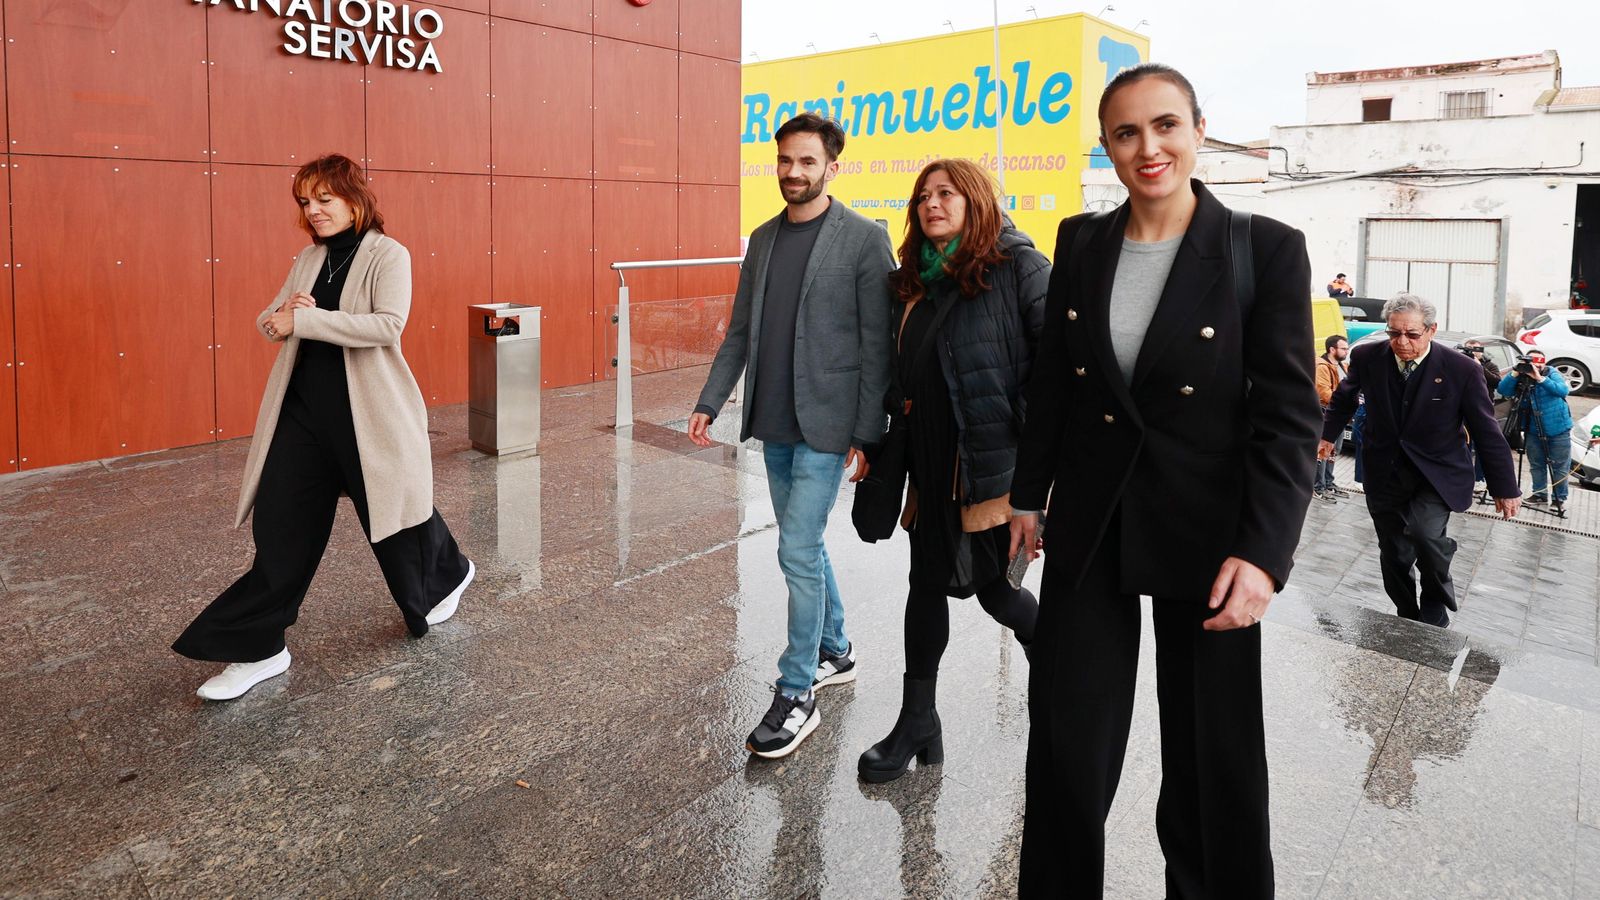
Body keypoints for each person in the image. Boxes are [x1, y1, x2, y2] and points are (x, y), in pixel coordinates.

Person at [1008, 63, 1320, 898]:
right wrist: (1027, 497)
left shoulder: (1265, 249)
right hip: (1092, 519)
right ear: (1107, 146)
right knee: (1069, 747)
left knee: (1210, 757)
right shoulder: (1080, 241)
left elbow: (1290, 419)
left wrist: (1264, 554)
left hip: (1209, 530)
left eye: (1166, 126)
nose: (1149, 148)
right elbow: (1054, 386)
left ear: (1197, 129)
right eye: (1126, 132)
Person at [173, 154, 474, 700]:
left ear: (354, 198)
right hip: (303, 415)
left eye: (324, 200)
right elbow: (271, 322)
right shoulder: (309, 258)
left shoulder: (389, 254)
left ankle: (447, 573)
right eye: (305, 203)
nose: (313, 211)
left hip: (367, 414)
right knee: (281, 529)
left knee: (395, 521)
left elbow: (388, 325)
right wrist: (286, 311)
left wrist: (306, 319)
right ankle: (259, 648)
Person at [688, 113, 894, 760]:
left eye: (807, 162)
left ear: (832, 166)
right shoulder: (763, 238)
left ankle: (797, 690)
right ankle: (837, 649)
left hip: (829, 426)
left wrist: (869, 432)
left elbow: (876, 345)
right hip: (773, 419)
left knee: (797, 551)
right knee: (803, 545)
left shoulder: (864, 239)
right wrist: (709, 400)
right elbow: (742, 332)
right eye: (785, 160)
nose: (793, 172)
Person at [857, 158, 1047, 784]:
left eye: (947, 193)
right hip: (930, 462)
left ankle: (1056, 663)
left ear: (976, 201)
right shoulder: (909, 282)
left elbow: (1055, 373)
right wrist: (876, 439)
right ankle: (918, 719)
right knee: (923, 585)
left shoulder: (1019, 266)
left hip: (993, 466)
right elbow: (896, 374)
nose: (932, 204)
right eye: (923, 196)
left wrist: (1034, 474)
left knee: (995, 589)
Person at [1321, 293, 1521, 628]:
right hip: (1384, 470)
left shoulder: (1462, 370)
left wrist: (1505, 487)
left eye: (1412, 335)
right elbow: (1343, 398)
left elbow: (1486, 431)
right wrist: (1327, 436)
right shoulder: (1369, 356)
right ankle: (1406, 613)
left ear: (1430, 330)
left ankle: (1434, 603)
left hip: (1437, 473)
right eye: (1394, 333)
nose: (1402, 342)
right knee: (1395, 553)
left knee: (1426, 536)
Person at [1499, 349, 1574, 510]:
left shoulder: (1550, 373)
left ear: (1544, 363)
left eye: (1539, 362)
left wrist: (1539, 378)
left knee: (1559, 466)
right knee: (1536, 464)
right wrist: (1515, 373)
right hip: (1533, 428)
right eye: (1532, 363)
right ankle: (1539, 494)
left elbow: (1562, 391)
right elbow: (1503, 390)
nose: (1535, 366)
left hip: (1558, 428)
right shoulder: (1520, 376)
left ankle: (1559, 499)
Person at [1314, 334, 1351, 501]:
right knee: (1323, 451)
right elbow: (1323, 392)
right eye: (1343, 348)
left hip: (1340, 415)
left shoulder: (1343, 366)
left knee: (1334, 451)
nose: (1347, 350)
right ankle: (1318, 487)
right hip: (1326, 414)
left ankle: (1328, 483)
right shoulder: (1322, 366)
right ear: (1332, 349)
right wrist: (1344, 402)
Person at [1462, 338, 1503, 486]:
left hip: (1482, 409)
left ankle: (1479, 478)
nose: (1473, 352)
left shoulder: (1490, 365)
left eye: (1476, 350)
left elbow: (1497, 382)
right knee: (1463, 444)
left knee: (1482, 445)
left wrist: (1479, 367)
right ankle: (1463, 477)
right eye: (1469, 349)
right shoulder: (1458, 363)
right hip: (1462, 409)